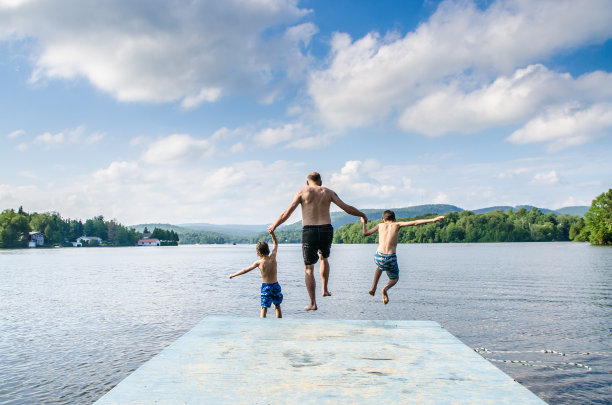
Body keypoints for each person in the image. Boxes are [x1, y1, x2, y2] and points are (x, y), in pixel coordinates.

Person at [268, 172, 367, 311]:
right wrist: (362, 214)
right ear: (320, 182)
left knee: (309, 269)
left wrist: (274, 225)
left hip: (309, 231)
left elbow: (288, 212)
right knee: (324, 258)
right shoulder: (328, 192)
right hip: (326, 229)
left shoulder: (302, 192)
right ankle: (325, 289)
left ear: (307, 182)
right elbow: (347, 208)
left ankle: (313, 303)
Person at [362, 210, 444, 304]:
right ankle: (385, 289)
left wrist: (364, 222)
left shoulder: (380, 225)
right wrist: (433, 220)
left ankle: (373, 287)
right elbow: (415, 222)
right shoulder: (397, 224)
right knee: (395, 278)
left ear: (383, 219)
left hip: (378, 256)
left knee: (380, 267)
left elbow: (365, 233)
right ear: (394, 219)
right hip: (390, 257)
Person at [229, 230, 282, 318]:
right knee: (277, 306)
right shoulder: (273, 257)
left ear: (259, 253)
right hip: (275, 286)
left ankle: (262, 326)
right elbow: (275, 244)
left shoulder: (259, 263)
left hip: (266, 287)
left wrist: (233, 274)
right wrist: (272, 233)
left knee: (264, 308)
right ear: (268, 250)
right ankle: (280, 323)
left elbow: (245, 270)